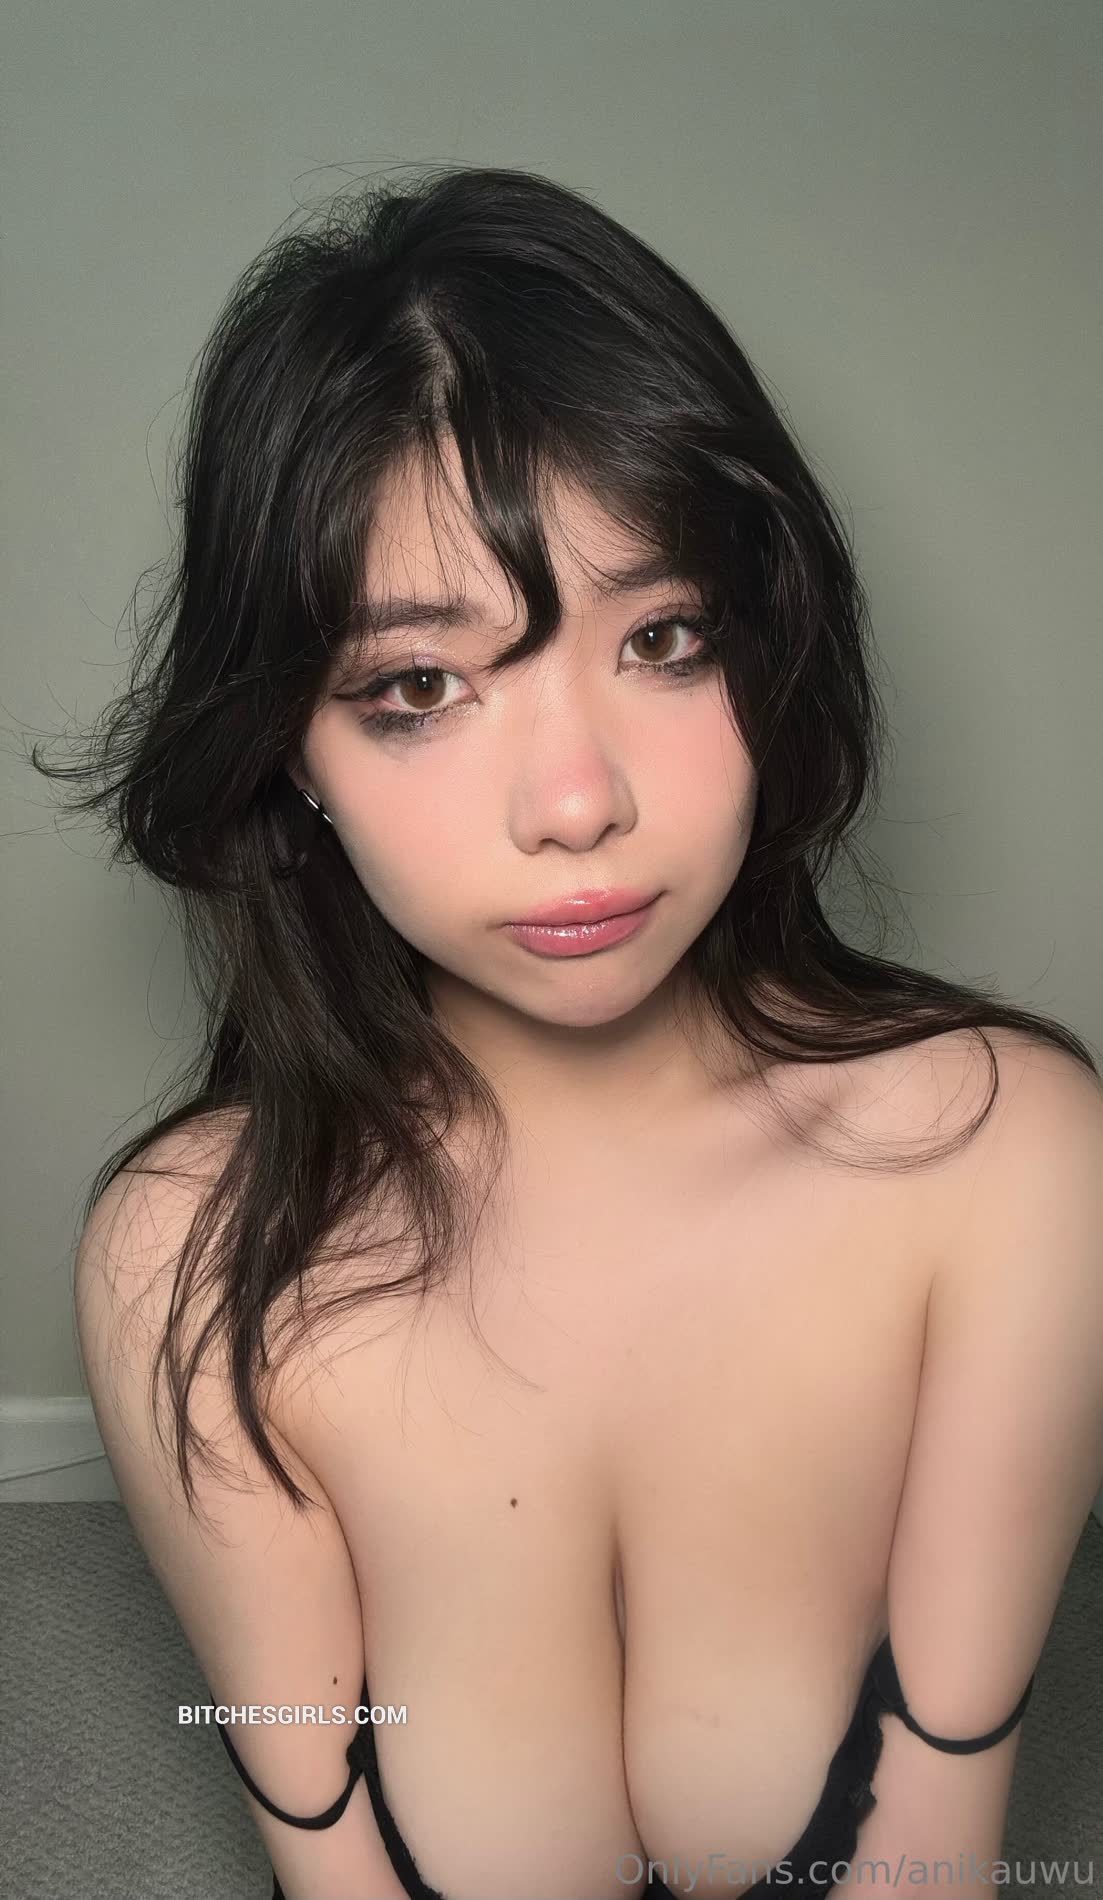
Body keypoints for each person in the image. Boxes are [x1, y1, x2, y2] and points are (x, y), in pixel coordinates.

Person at [42, 163, 1103, 1900]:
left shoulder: (1006, 1158)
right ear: (291, 749)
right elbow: (325, 1848)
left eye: (665, 638)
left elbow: (934, 1851)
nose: (576, 802)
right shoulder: (191, 1258)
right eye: (421, 686)